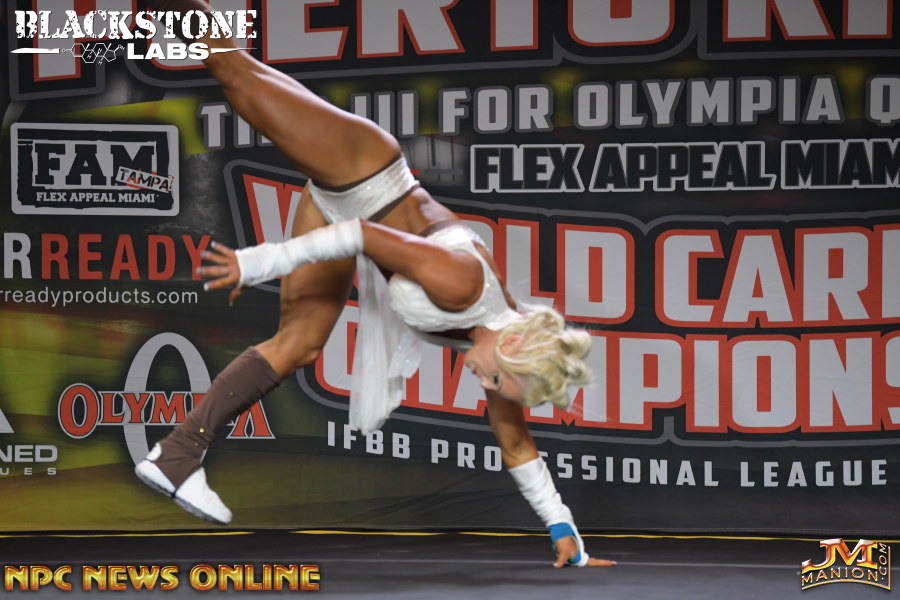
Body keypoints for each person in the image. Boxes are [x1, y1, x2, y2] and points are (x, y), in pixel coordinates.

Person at [134, 0, 614, 569]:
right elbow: (362, 234)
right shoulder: (463, 285)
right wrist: (257, 264)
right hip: (363, 172)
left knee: (299, 345)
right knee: (233, 70)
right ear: (510, 347)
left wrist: (563, 529)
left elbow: (515, 443)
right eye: (497, 380)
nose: (485, 385)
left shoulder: (496, 351)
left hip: (345, 215)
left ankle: (176, 455)